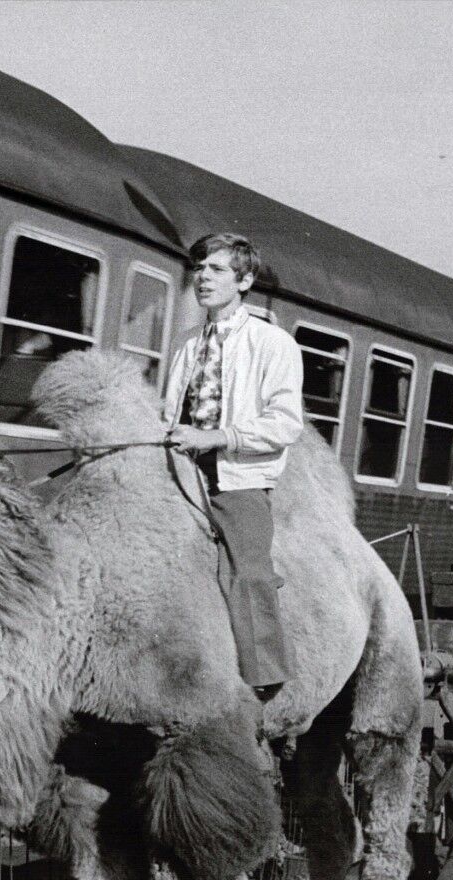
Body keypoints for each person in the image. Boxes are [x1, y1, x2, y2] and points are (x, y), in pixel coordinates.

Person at [163, 233, 303, 695]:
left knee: (246, 571)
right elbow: (170, 413)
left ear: (244, 280)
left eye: (216, 269)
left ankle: (265, 682)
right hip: (178, 469)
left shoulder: (272, 343)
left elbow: (285, 425)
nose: (202, 276)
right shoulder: (186, 344)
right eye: (200, 267)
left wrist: (217, 438)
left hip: (237, 479)